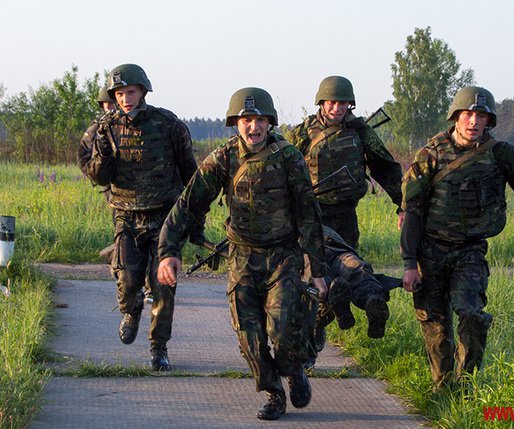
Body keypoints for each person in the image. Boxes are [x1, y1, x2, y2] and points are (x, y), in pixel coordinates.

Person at [157, 87, 328, 421]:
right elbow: (190, 203)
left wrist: (317, 268)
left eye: (260, 119)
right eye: (247, 120)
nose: (254, 127)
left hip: (283, 256)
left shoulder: (289, 157)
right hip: (242, 258)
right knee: (248, 336)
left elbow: (309, 214)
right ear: (236, 123)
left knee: (280, 331)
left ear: (270, 122)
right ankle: (273, 393)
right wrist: (168, 250)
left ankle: (293, 369)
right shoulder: (223, 158)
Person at [400, 86, 514, 392]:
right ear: (456, 117)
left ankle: (466, 384)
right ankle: (442, 389)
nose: (473, 121)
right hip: (430, 250)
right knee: (434, 322)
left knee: (471, 314)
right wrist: (409, 263)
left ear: (489, 120)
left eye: (480, 115)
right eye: (468, 114)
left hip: (470, 251)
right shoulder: (430, 155)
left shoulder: (500, 155)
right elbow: (413, 211)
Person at [85, 63, 202, 371]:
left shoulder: (168, 124)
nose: (125, 99)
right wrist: (101, 149)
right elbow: (99, 177)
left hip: (165, 216)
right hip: (125, 215)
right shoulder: (106, 127)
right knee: (127, 280)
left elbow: (191, 173)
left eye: (131, 92)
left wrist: (195, 220)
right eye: (120, 93)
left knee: (163, 285)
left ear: (143, 92)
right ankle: (131, 309)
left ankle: (159, 346)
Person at [288, 75, 404, 249]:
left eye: (343, 103)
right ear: (322, 102)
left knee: (348, 266)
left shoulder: (360, 131)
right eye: (332, 102)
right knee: (313, 266)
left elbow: (385, 168)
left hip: (346, 215)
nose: (337, 108)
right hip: (312, 213)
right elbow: (285, 171)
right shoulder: (303, 133)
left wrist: (402, 205)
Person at [78, 86, 154, 304]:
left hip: (141, 192)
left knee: (149, 241)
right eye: (109, 104)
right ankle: (124, 275)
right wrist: (100, 173)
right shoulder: (97, 130)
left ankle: (147, 285)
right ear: (103, 106)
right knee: (125, 237)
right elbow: (84, 157)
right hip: (114, 193)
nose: (114, 107)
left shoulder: (134, 125)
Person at [304, 225, 399, 369]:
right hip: (324, 247)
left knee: (345, 271)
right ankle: (369, 295)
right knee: (355, 269)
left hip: (322, 246)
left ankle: (369, 300)